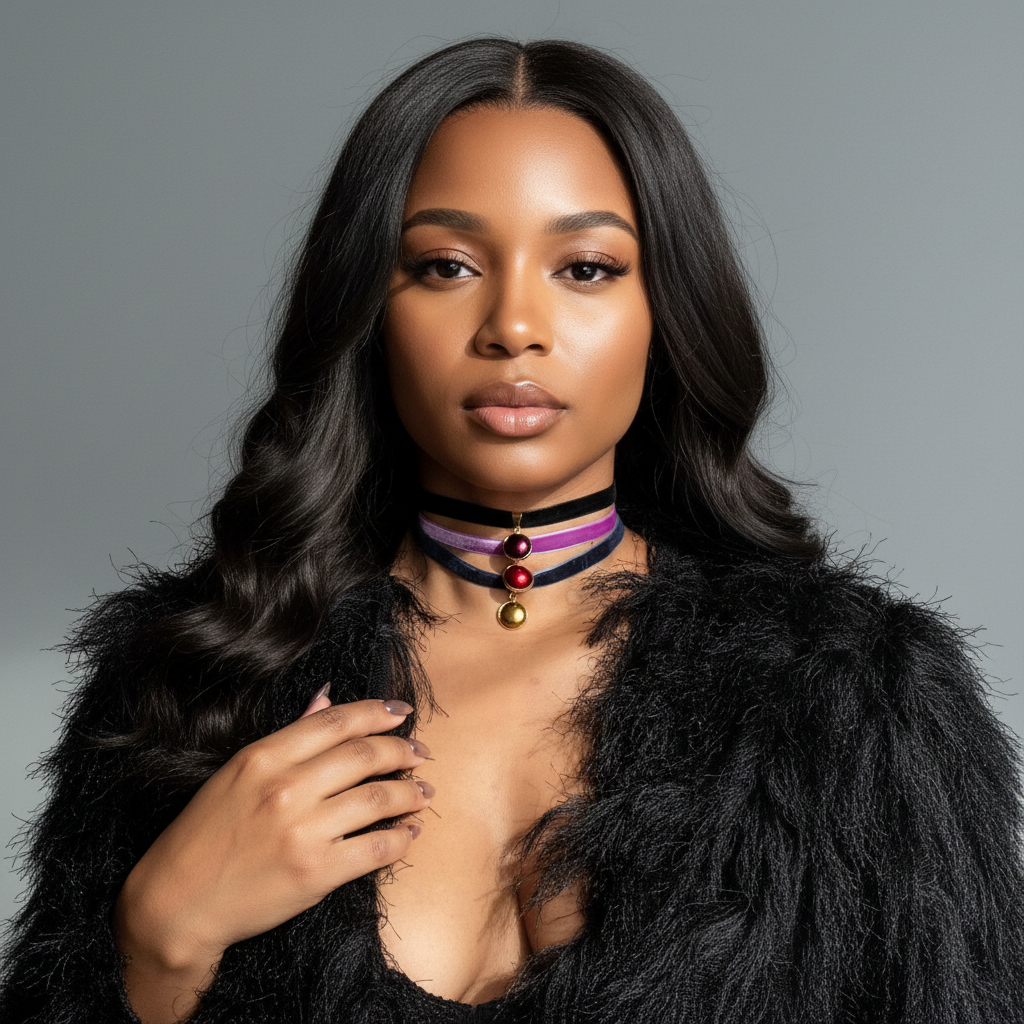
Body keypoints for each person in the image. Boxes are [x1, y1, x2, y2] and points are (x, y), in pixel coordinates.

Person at [1, 36, 1022, 1024]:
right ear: (369, 305)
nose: (514, 326)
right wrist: (158, 944)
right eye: (446, 265)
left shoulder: (857, 702)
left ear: (665, 309)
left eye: (584, 268)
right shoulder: (185, 681)